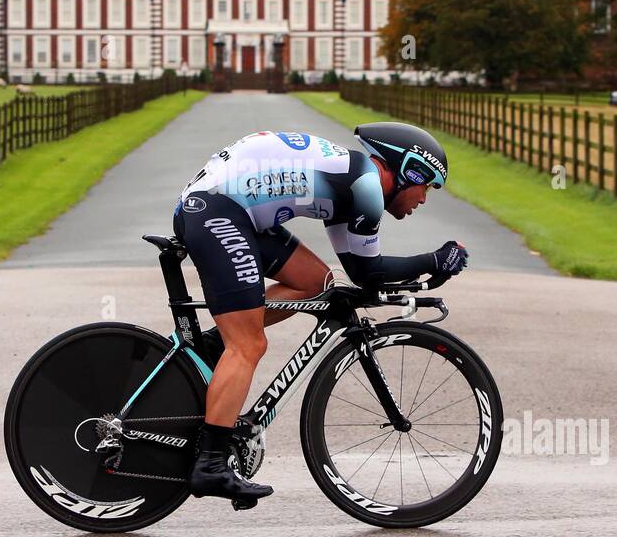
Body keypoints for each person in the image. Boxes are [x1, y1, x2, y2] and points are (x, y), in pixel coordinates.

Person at [170, 124, 469, 505]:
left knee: (316, 281)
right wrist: (433, 260)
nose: (423, 199)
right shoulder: (365, 187)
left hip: (227, 207)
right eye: (426, 185)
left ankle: (213, 347)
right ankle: (210, 464)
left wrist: (428, 269)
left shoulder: (352, 183)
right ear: (407, 171)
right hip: (218, 209)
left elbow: (362, 276)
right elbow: (371, 272)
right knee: (248, 345)